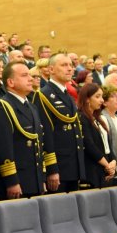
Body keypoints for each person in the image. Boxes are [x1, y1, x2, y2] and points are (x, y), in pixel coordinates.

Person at [0, 61, 57, 199]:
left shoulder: (31, 107)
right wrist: (12, 181)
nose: (31, 79)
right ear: (11, 82)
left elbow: (39, 144)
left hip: (35, 179)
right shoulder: (2, 106)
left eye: (30, 75)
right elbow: (3, 148)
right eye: (24, 75)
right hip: (18, 182)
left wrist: (42, 178)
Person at [32, 53, 85, 191]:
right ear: (51, 70)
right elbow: (46, 134)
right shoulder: (43, 95)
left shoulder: (67, 94)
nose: (69, 69)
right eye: (64, 65)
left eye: (71, 65)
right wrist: (51, 169)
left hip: (73, 166)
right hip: (59, 167)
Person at [77, 83, 115, 188]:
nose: (102, 100)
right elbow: (89, 146)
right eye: (97, 96)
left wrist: (113, 162)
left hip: (104, 169)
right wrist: (107, 165)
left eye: (102, 96)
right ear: (87, 99)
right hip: (93, 170)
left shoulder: (98, 118)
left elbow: (107, 144)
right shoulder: (82, 117)